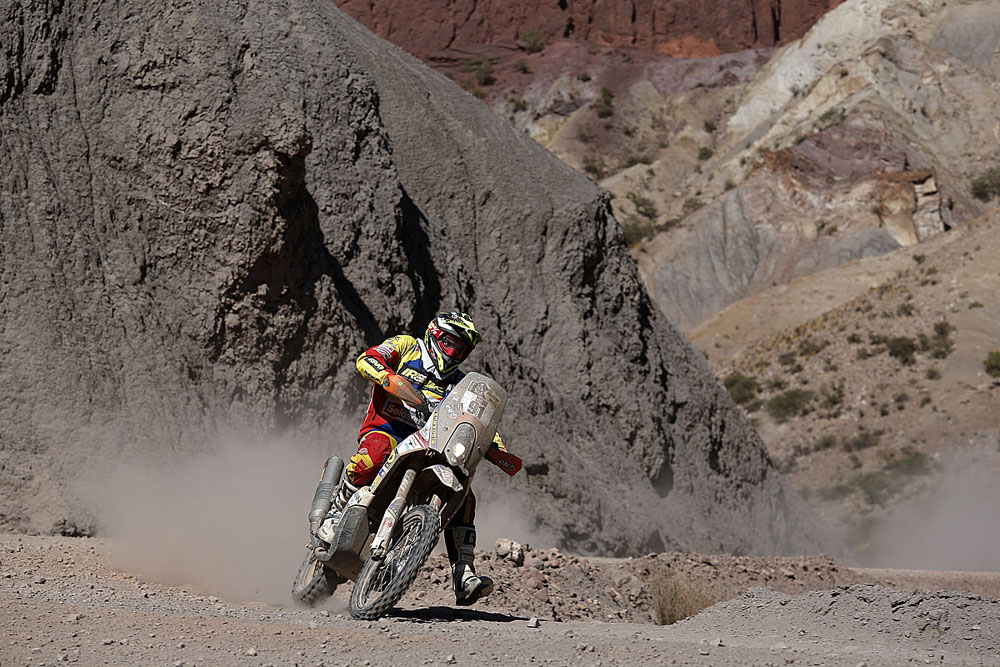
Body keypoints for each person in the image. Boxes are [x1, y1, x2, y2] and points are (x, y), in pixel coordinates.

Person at [325, 311, 505, 606]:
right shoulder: (408, 346)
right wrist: (386, 375)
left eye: (462, 349)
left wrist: (495, 445)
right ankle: (336, 509)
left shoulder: (460, 386)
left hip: (431, 445)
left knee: (464, 496)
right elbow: (367, 359)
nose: (455, 353)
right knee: (374, 455)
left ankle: (464, 573)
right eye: (451, 344)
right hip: (388, 428)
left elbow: (477, 421)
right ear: (435, 334)